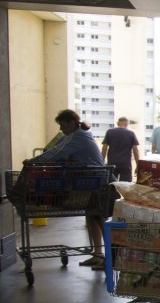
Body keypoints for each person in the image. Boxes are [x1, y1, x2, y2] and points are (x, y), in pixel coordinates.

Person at [25, 109, 109, 269]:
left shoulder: (79, 136)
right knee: (92, 217)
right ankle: (98, 255)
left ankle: (108, 260)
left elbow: (57, 153)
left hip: (95, 181)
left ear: (71, 122)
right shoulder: (74, 135)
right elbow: (56, 150)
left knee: (98, 218)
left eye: (62, 125)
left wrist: (33, 162)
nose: (60, 129)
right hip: (90, 180)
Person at [101, 116, 140, 182]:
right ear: (127, 124)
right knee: (125, 187)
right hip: (126, 165)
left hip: (112, 164)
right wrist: (138, 165)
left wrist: (102, 162)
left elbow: (104, 148)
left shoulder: (109, 132)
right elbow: (135, 150)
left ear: (117, 123)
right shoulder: (131, 134)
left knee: (111, 185)